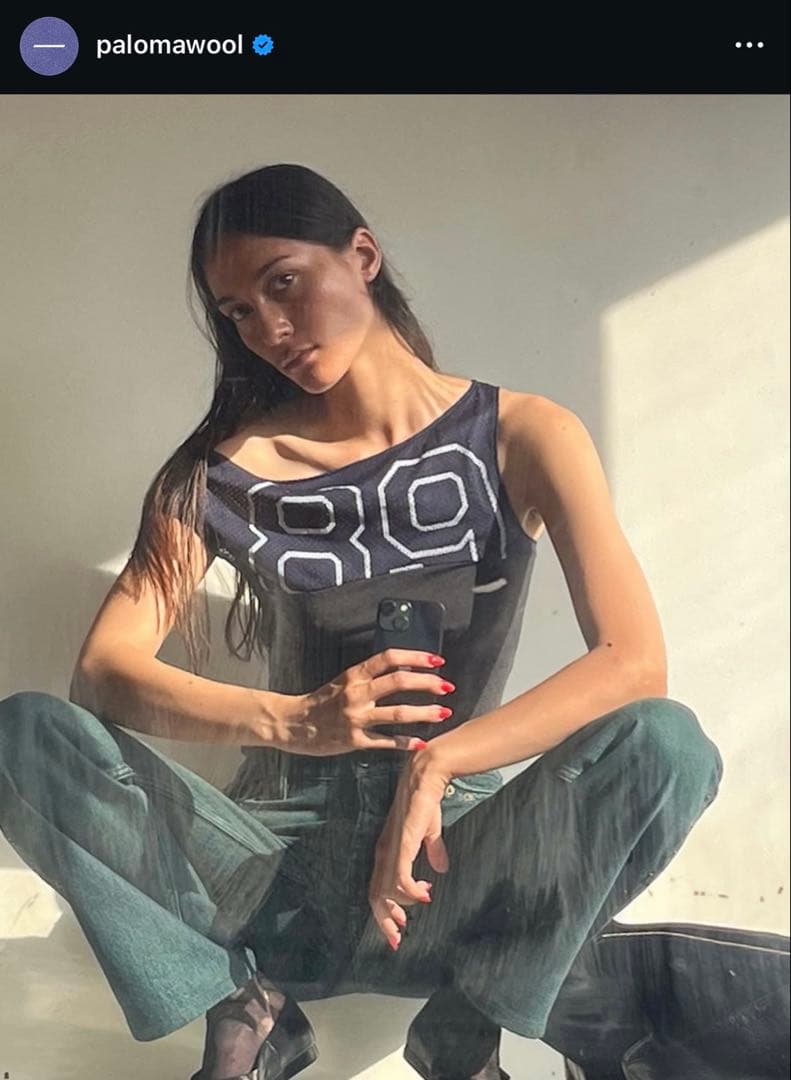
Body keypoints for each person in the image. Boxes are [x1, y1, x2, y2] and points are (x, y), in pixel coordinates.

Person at [0, 163, 723, 1080]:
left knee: (667, 747)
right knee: (25, 735)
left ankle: (466, 1027)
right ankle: (245, 1009)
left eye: (283, 283)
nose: (268, 329)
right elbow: (104, 671)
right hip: (271, 882)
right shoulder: (219, 475)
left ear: (363, 256)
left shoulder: (526, 434)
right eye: (238, 312)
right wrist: (295, 720)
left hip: (450, 875)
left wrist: (438, 764)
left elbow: (632, 662)